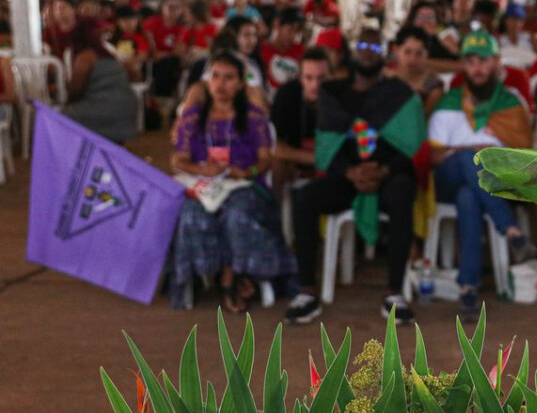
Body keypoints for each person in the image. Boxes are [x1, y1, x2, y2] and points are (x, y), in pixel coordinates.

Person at [286, 34, 426, 325]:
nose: (368, 52)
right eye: (363, 46)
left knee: (402, 192)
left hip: (387, 175)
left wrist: (382, 171)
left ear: (386, 54)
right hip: (345, 177)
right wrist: (350, 172)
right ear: (351, 52)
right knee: (305, 198)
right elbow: (327, 143)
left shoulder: (399, 93)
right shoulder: (333, 93)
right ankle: (307, 291)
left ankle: (394, 293)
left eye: (375, 46)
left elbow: (410, 145)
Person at [171, 53, 296, 313]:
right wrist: (201, 169)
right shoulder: (193, 117)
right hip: (204, 187)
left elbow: (265, 160)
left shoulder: (253, 117)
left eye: (228, 78)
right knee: (192, 216)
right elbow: (178, 160)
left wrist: (245, 171)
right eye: (215, 76)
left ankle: (232, 276)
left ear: (240, 83)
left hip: (244, 185)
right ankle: (218, 274)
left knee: (237, 214)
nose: (220, 84)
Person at [429, 31, 533, 319]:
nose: (477, 68)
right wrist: (471, 150)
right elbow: (434, 157)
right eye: (470, 61)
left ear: (497, 63)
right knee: (468, 157)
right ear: (463, 65)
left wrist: (494, 156)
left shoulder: (512, 104)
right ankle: (509, 227)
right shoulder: (449, 103)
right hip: (448, 177)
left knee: (469, 197)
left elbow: (525, 157)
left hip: (497, 182)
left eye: (483, 61)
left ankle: (468, 289)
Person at [271, 47, 331, 192]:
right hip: (296, 161)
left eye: (321, 78)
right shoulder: (287, 95)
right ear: (300, 78)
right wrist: (312, 158)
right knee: (277, 162)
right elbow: (274, 146)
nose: (315, 85)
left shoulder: (340, 97)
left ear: (330, 76)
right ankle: (279, 211)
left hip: (331, 163)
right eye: (309, 78)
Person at [143, 0, 190, 100]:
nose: (173, 11)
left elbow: (179, 53)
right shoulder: (152, 23)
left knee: (172, 64)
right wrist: (169, 54)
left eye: (177, 7)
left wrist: (166, 54)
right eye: (170, 7)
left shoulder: (183, 26)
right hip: (155, 65)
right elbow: (153, 53)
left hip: (175, 65)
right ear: (162, 7)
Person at [391, 25, 445, 114]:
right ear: (396, 50)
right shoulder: (384, 79)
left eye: (419, 53)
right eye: (407, 52)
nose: (413, 59)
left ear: (427, 54)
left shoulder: (433, 87)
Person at [259, 7, 307, 93]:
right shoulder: (261, 50)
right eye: (290, 29)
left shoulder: (302, 51)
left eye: (297, 31)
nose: (293, 35)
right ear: (277, 25)